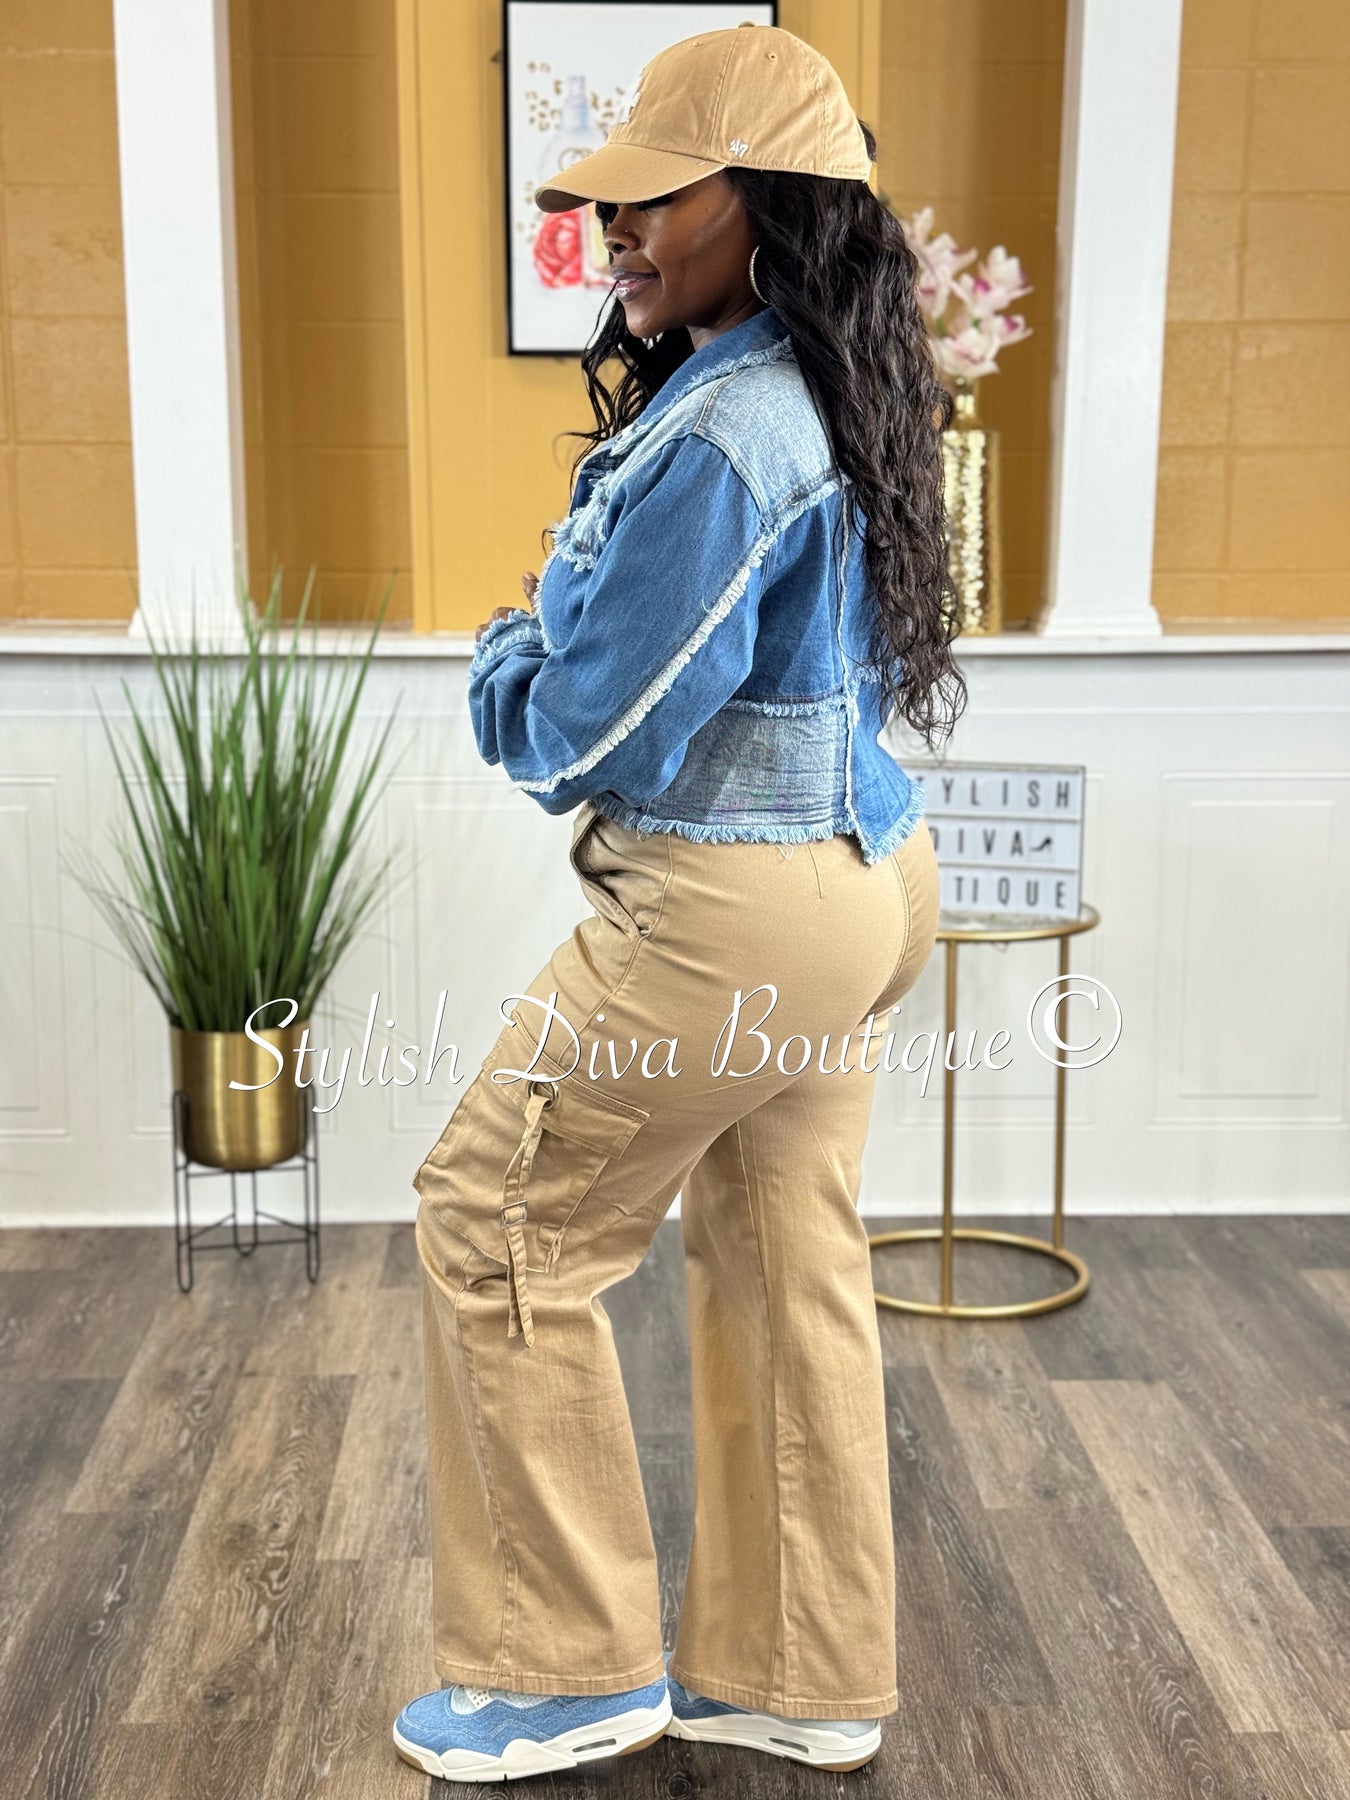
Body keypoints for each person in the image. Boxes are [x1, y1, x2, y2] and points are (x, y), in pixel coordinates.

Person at [393, 21, 965, 1785]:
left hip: (737, 911)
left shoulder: (723, 435)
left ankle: (561, 1670)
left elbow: (585, 732)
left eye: (656, 196)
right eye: (606, 201)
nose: (613, 229)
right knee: (783, 1252)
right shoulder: (831, 385)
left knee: (493, 1217)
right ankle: (797, 1670)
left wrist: (505, 646)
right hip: (866, 881)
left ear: (769, 205)